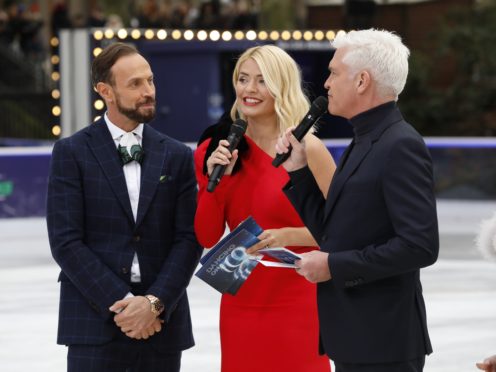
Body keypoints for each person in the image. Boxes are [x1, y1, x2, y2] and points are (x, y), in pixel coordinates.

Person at [275, 29, 439, 372]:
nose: (326, 84)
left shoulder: (400, 145)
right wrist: (300, 172)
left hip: (384, 343)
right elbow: (335, 234)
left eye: (334, 73)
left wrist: (333, 266)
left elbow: (420, 246)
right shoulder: (365, 141)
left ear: (362, 80)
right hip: (356, 337)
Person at [46, 42, 202, 372]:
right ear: (106, 91)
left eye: (150, 80)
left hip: (162, 322)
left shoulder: (177, 155)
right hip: (93, 320)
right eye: (135, 84)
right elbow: (66, 241)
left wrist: (154, 303)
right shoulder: (72, 152)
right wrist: (124, 305)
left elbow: (189, 238)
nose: (148, 91)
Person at [194, 44, 335, 372]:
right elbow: (206, 234)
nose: (249, 89)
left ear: (281, 87)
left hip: (301, 301)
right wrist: (219, 184)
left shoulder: (309, 150)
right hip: (241, 301)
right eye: (243, 79)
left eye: (261, 80)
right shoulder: (212, 151)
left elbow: (345, 228)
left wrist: (287, 235)